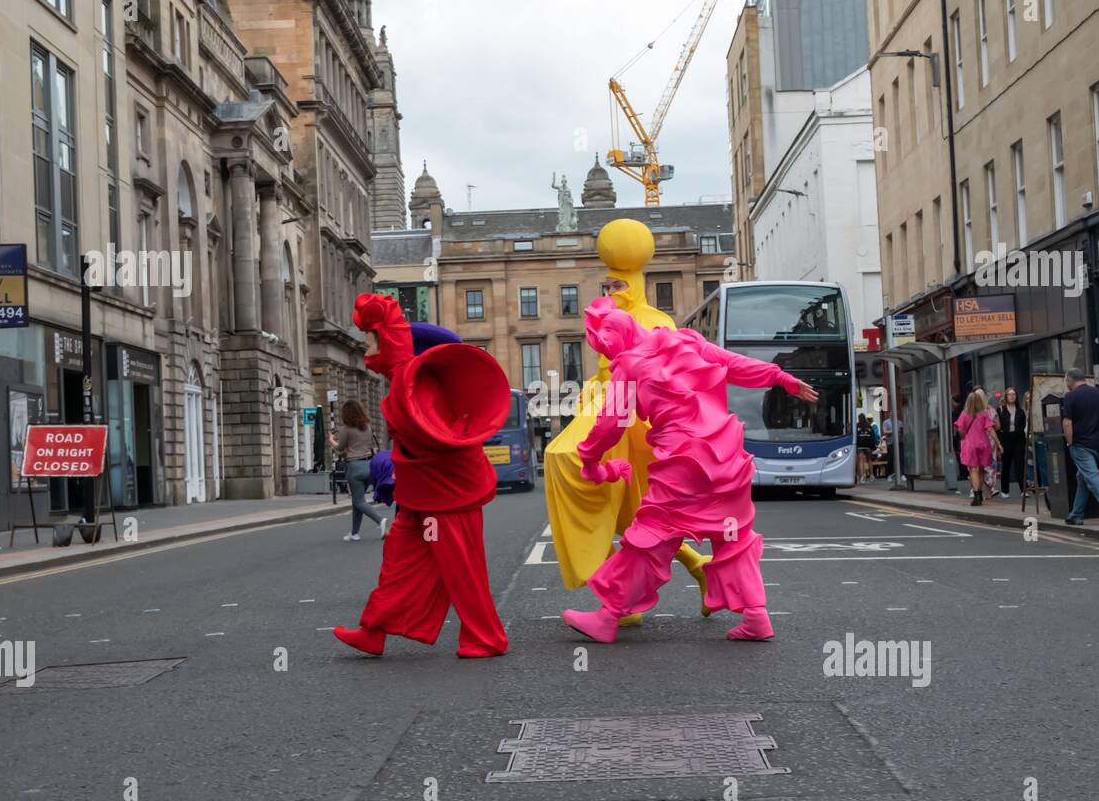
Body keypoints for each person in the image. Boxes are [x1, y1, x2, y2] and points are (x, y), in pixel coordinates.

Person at [559, 297, 819, 643]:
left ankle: (607, 617)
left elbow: (611, 425)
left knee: (651, 535)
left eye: (602, 348)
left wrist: (589, 458)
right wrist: (779, 377)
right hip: (727, 453)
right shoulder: (686, 340)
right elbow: (733, 364)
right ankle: (756, 617)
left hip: (684, 462)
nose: (605, 355)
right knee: (732, 535)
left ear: (610, 342)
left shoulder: (629, 367)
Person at [544, 219, 710, 624]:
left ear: (635, 283)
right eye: (608, 286)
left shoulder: (658, 321)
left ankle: (622, 602)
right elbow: (606, 374)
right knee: (633, 515)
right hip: (615, 419)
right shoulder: (610, 321)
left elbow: (656, 377)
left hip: (638, 429)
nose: (611, 292)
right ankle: (681, 575)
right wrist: (590, 389)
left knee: (594, 484)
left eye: (618, 286)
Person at [333, 295, 510, 659]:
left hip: (446, 495)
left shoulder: (412, 381)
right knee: (399, 558)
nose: (365, 346)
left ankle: (487, 637)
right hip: (421, 493)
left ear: (385, 338)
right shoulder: (404, 378)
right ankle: (374, 630)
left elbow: (443, 436)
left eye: (369, 337)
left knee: (461, 568)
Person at [1061, 367, 1099, 526]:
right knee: (1083, 477)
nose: (1066, 384)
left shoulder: (1070, 397)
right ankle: (1076, 514)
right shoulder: (1097, 393)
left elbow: (1067, 423)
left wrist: (1069, 442)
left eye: (1066, 381)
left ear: (1070, 380)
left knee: (1092, 477)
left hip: (1080, 444)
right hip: (1098, 443)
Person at [330, 399, 385, 541]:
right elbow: (371, 445)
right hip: (370, 466)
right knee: (357, 501)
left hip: (355, 468)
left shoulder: (345, 429)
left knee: (359, 501)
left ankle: (380, 520)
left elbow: (340, 448)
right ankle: (354, 533)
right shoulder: (367, 427)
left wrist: (331, 440)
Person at [955, 389, 1001, 506]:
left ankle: (976, 497)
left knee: (973, 470)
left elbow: (960, 429)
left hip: (970, 444)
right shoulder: (983, 414)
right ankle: (980, 493)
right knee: (981, 470)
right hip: (984, 444)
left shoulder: (964, 414)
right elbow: (991, 429)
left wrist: (964, 436)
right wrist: (998, 443)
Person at [997, 387, 1027, 498]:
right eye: (1009, 394)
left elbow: (1023, 425)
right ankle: (1005, 491)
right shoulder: (1000, 410)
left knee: (1020, 464)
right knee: (1006, 465)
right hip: (1005, 438)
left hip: (1018, 438)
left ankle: (1023, 489)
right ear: (1006, 396)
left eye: (1014, 394)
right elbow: (997, 426)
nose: (1012, 396)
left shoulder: (1020, 411)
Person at [856, 414, 876, 483]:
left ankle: (862, 477)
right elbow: (873, 436)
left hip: (860, 445)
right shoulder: (869, 426)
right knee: (869, 460)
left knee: (861, 461)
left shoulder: (857, 425)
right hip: (868, 445)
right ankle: (871, 475)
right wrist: (873, 445)